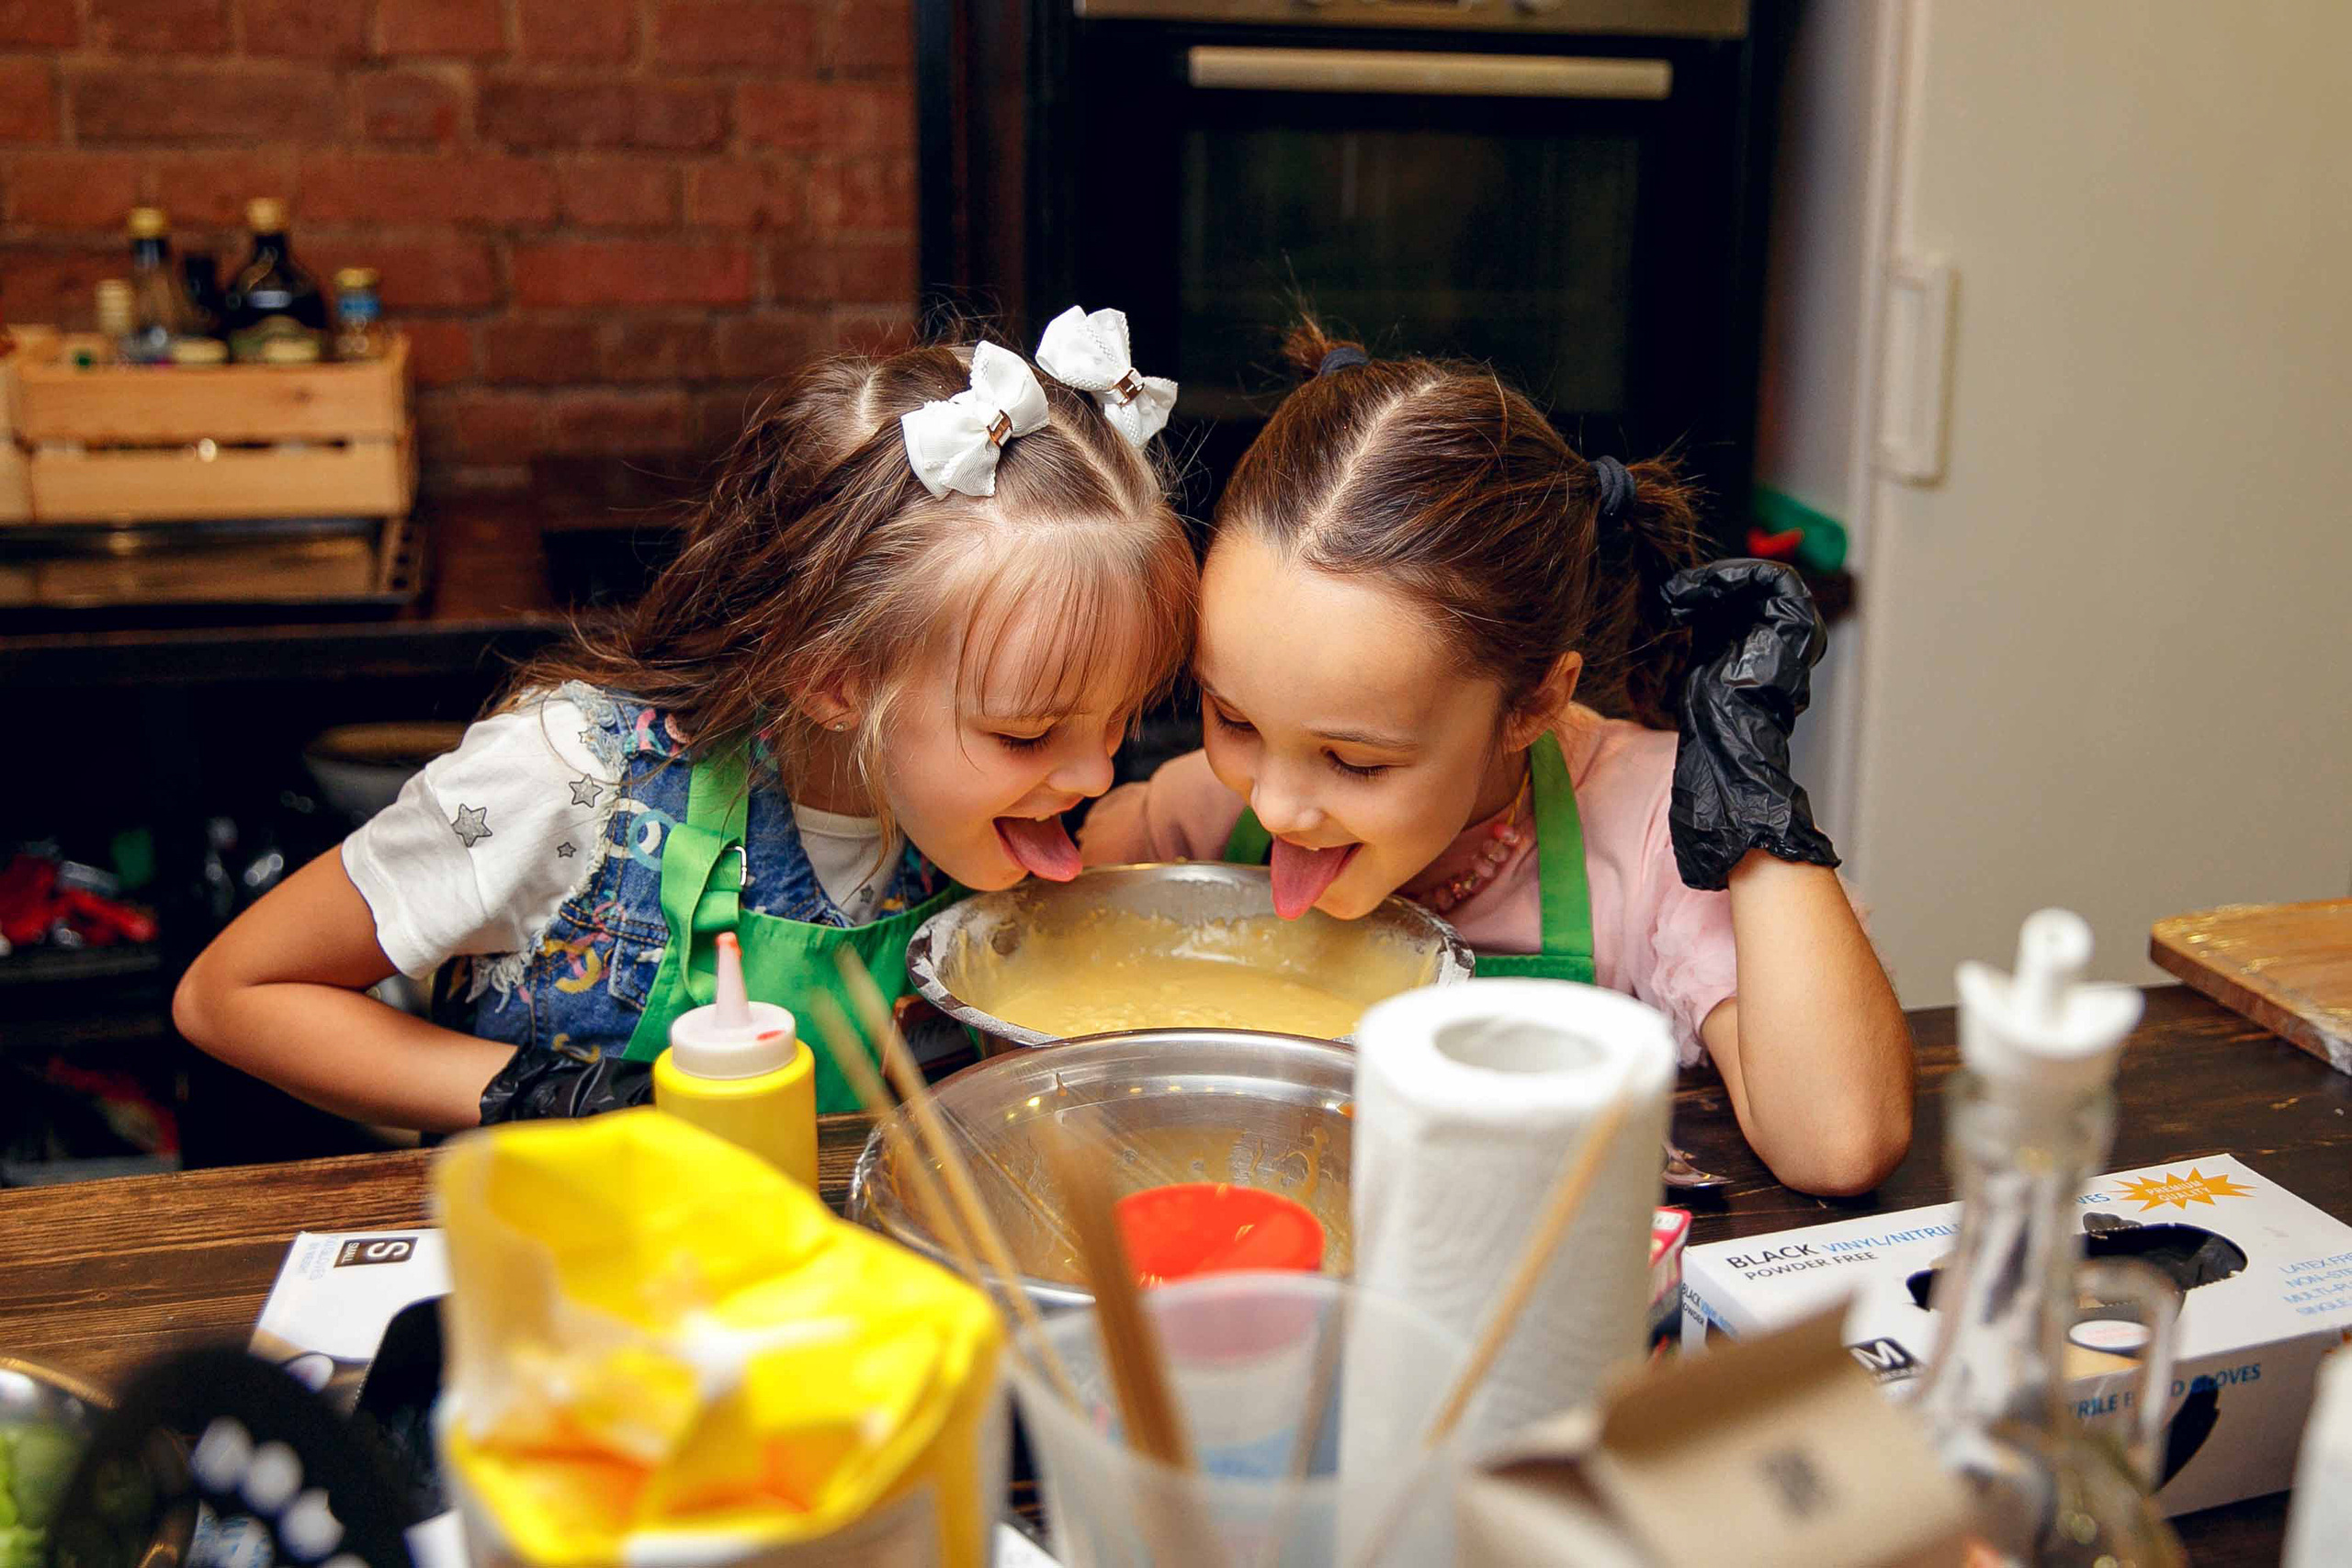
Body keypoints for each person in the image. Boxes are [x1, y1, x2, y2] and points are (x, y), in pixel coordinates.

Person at [177, 313, 1195, 1131]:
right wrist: (555, 1100)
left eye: (1121, 720)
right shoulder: (566, 780)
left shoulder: (1000, 815)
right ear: (833, 681)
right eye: (1030, 733)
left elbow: (1145, 834)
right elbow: (233, 994)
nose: (1094, 773)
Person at [1080, 325, 1912, 1195]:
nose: (1280, 806)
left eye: (1355, 761)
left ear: (1535, 704)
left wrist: (1752, 791)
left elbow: (1840, 1139)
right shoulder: (1197, 827)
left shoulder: (1656, 836)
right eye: (1233, 718)